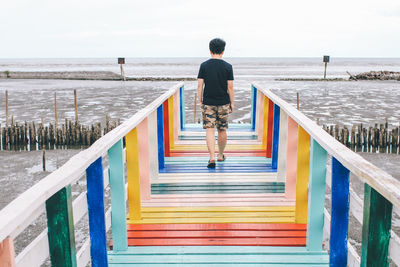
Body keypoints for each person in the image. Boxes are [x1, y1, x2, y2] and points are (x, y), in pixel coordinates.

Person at [197, 38, 234, 168]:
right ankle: (220, 155)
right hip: (223, 102)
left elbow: (200, 85)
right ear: (223, 51)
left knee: (210, 129)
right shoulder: (228, 67)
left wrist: (200, 99)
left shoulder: (204, 66)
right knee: (222, 129)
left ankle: (211, 158)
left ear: (210, 50)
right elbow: (230, 87)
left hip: (208, 102)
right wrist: (232, 103)